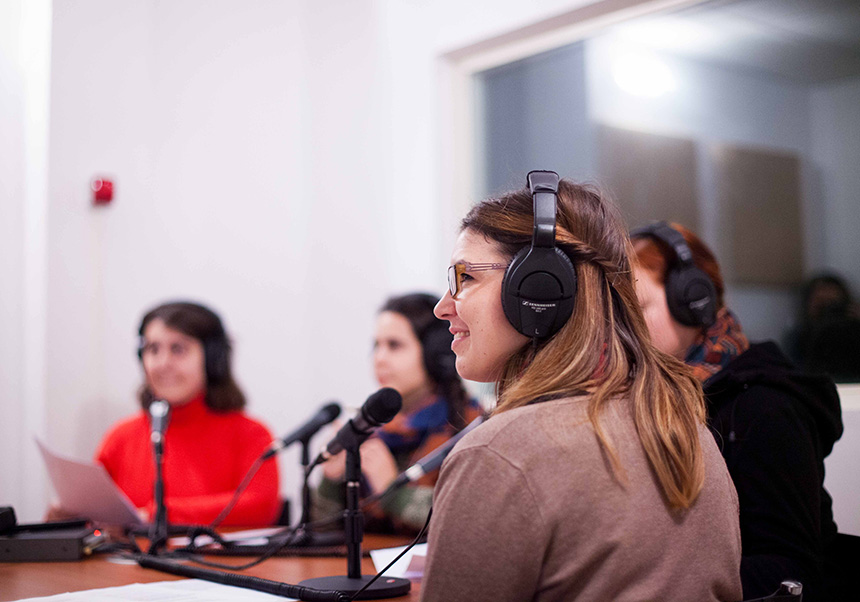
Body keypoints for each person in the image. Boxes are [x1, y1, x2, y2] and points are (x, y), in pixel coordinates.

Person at [422, 173, 741, 602]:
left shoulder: (500, 453)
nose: (443, 307)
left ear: (537, 288)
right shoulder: (687, 430)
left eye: (465, 278)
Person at [631, 222, 843, 601]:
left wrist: (659, 582)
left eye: (638, 306)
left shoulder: (765, 407)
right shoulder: (650, 399)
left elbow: (790, 572)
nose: (623, 325)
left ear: (694, 301)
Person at [94, 301, 281, 526]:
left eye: (178, 349)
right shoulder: (121, 436)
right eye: (153, 349)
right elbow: (93, 509)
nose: (163, 364)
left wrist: (158, 515)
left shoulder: (251, 434)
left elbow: (260, 506)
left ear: (213, 360)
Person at [314, 293, 483, 534]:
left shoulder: (472, 426)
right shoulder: (370, 428)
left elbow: (474, 523)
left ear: (433, 354)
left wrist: (393, 492)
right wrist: (331, 479)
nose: (379, 359)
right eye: (376, 346)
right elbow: (321, 531)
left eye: (394, 345)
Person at [785, 273, 860, 382]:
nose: (828, 311)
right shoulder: (799, 336)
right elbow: (793, 372)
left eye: (833, 305)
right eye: (821, 305)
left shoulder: (854, 329)